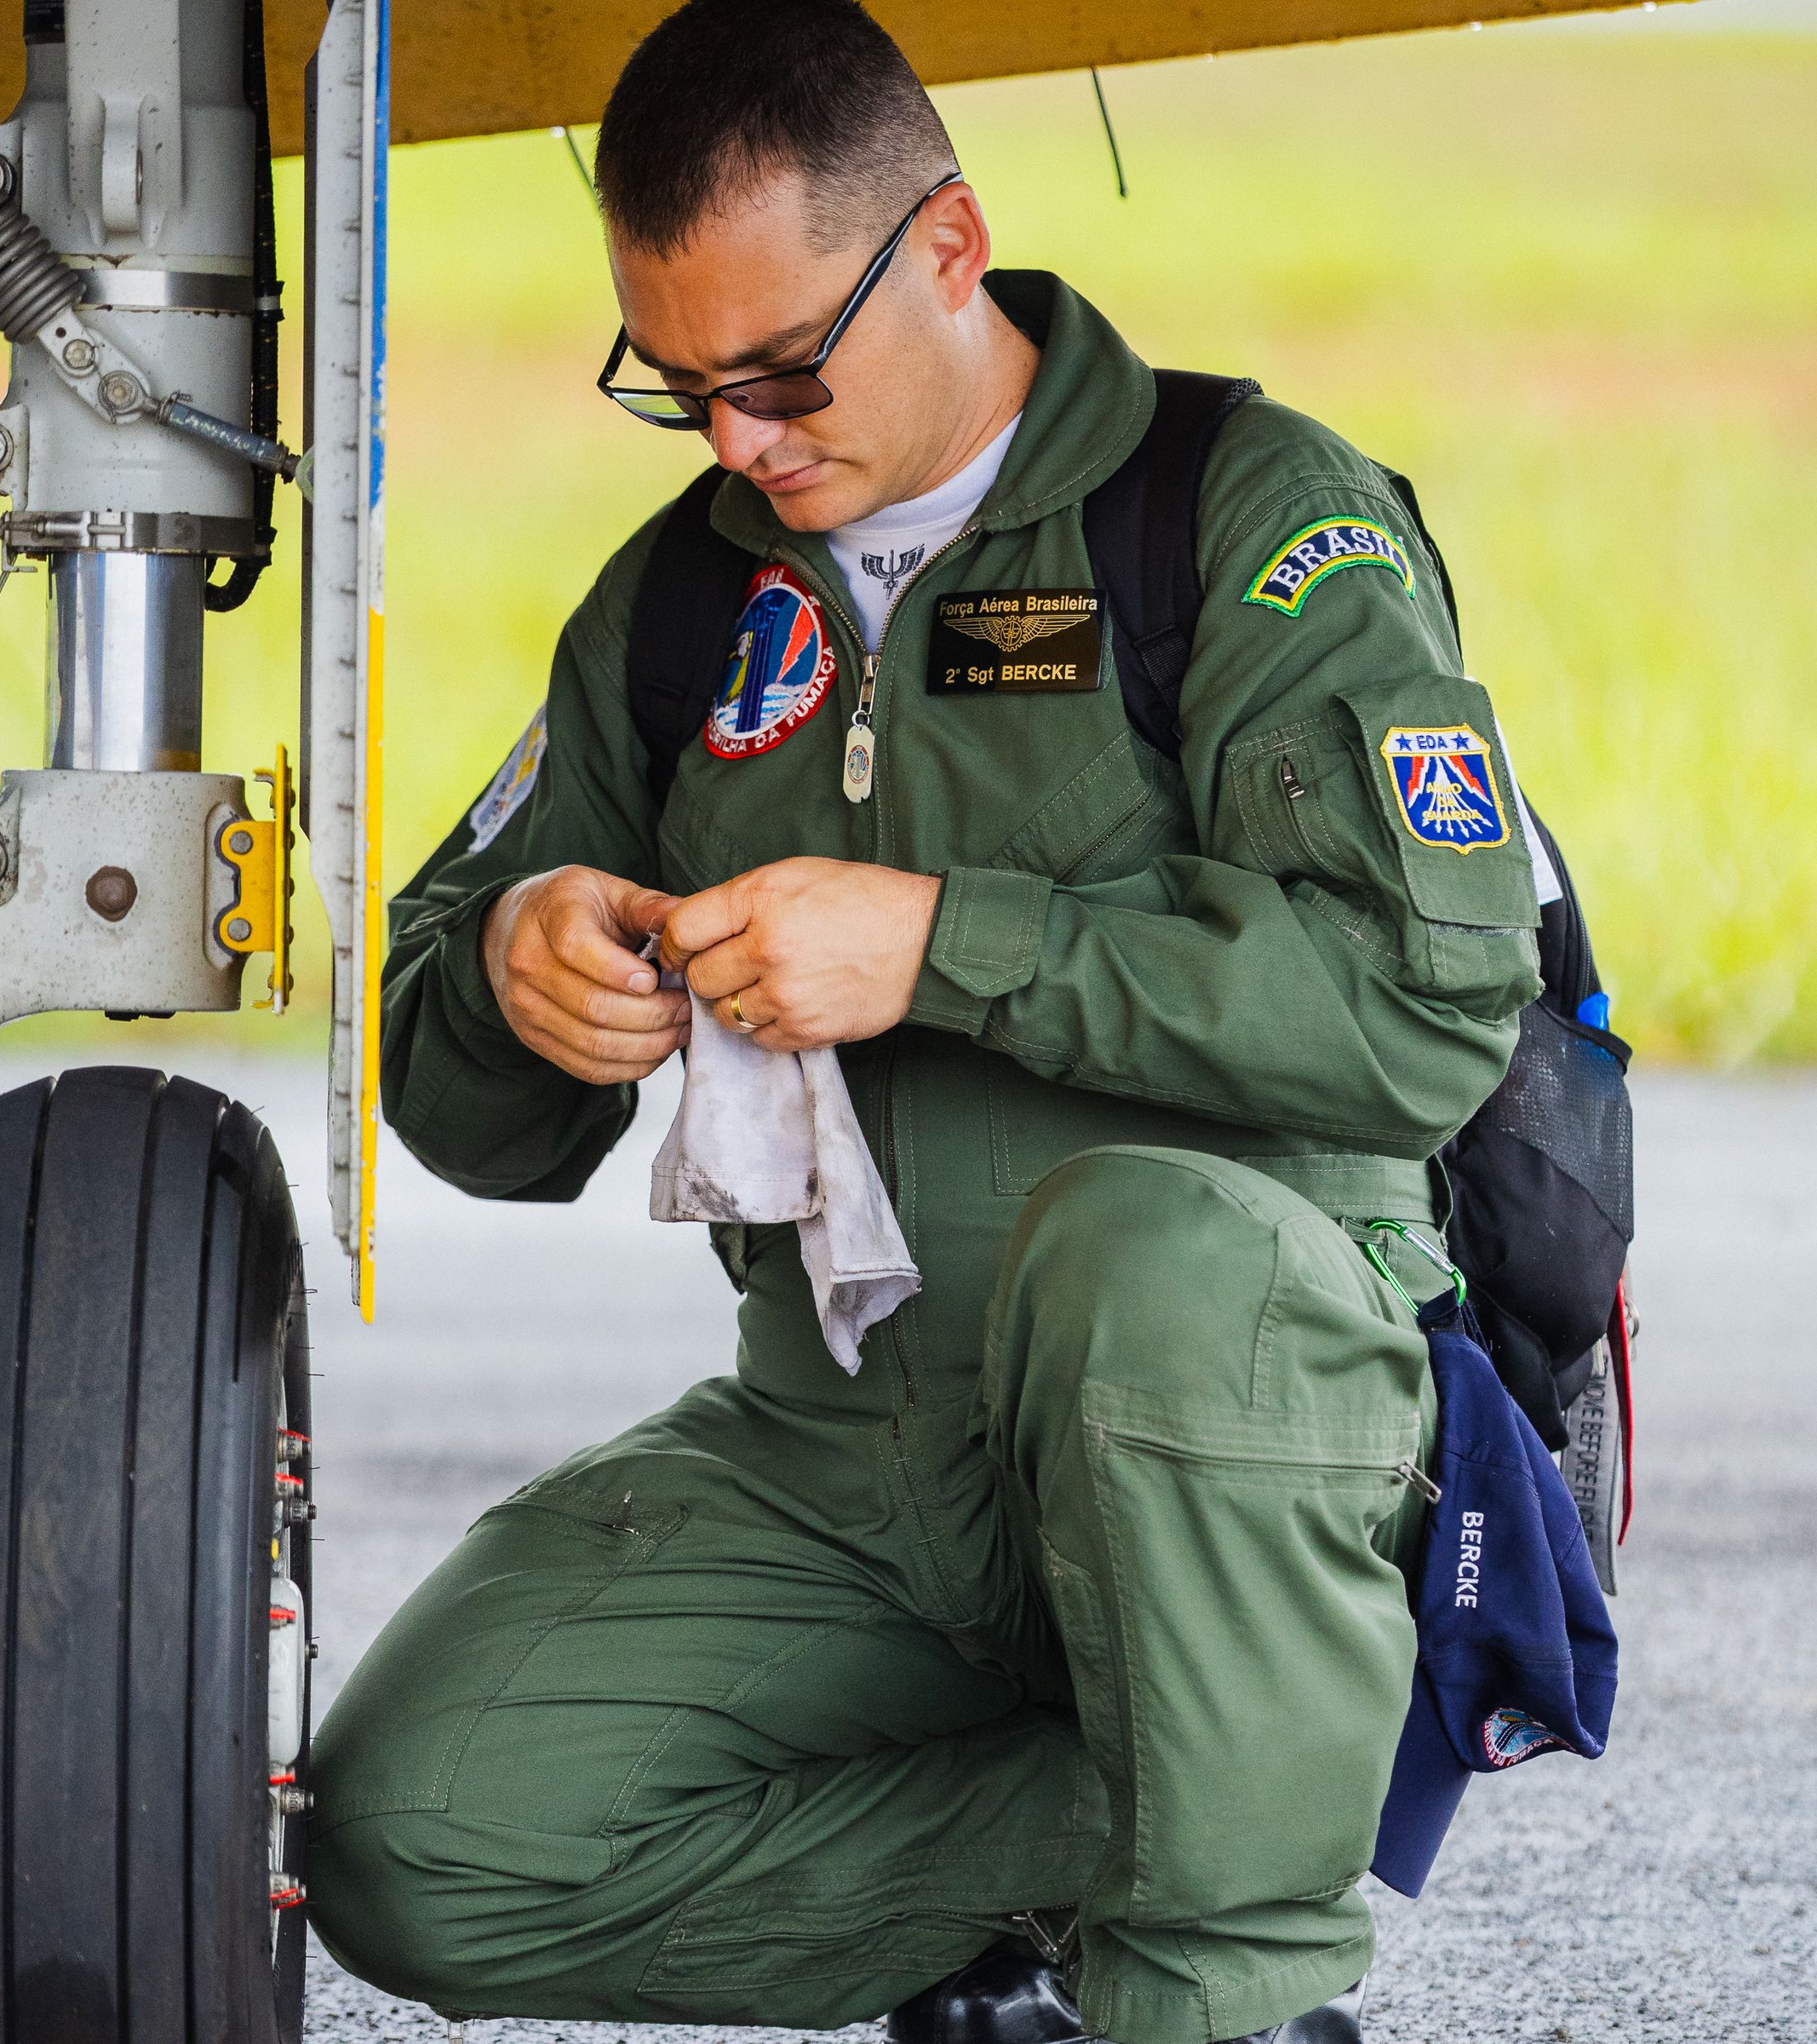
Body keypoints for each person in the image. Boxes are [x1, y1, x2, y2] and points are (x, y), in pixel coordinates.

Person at [307, 3, 1542, 2039]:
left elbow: (1424, 1011)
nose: (740, 440)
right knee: (419, 1843)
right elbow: (472, 1126)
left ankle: (1225, 1989)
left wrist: (947, 943)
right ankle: (1155, 1822)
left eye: (784, 369)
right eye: (678, 385)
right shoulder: (683, 604)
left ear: (950, 247)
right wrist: (518, 968)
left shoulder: (1240, 520)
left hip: (1239, 1435)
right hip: (853, 1460)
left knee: (1141, 1250)